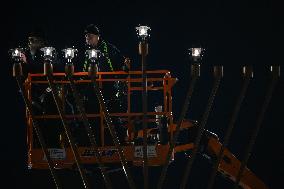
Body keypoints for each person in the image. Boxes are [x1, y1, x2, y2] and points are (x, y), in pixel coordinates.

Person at [81, 24, 130, 145]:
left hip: (109, 88)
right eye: (86, 36)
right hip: (91, 89)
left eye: (90, 36)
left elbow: (120, 63)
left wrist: (125, 66)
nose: (88, 39)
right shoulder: (85, 52)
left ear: (97, 36)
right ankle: (93, 143)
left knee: (112, 116)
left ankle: (121, 142)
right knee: (92, 117)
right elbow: (81, 70)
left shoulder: (108, 48)